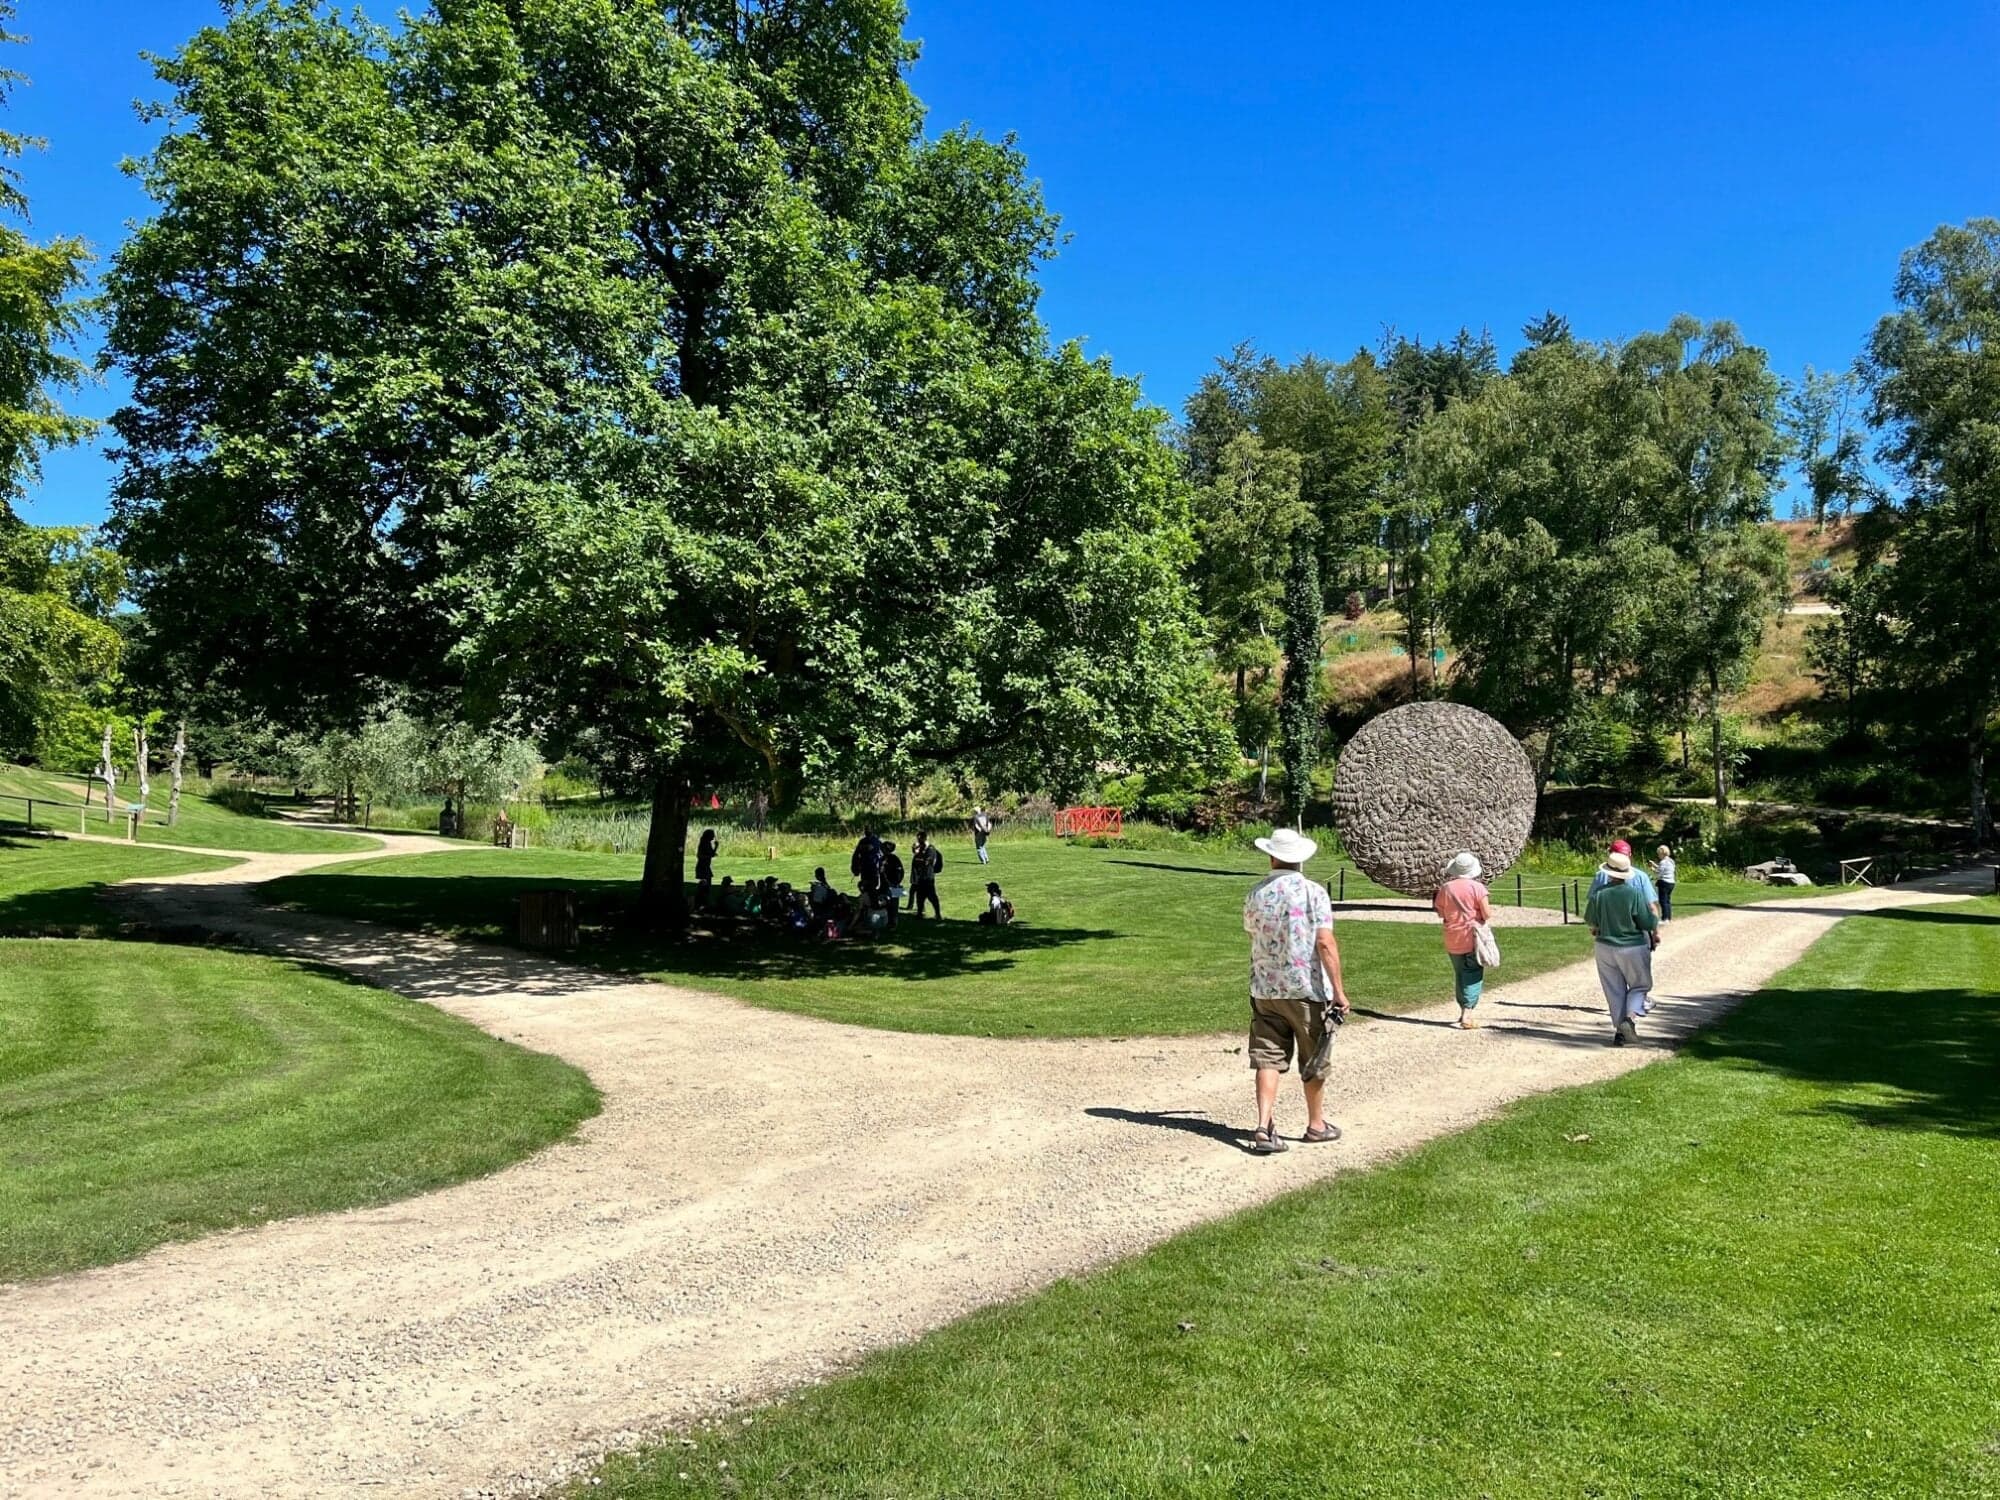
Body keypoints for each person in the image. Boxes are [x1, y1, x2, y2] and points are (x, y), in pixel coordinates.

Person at [1242, 826, 1351, 1155]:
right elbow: (1325, 943)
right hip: (1304, 987)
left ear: (1272, 856)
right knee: (1314, 1055)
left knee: (1267, 1055)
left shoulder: (1256, 893)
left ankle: (1264, 1125)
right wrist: (1339, 992)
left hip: (1264, 986)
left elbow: (1252, 933)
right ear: (1300, 859)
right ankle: (1316, 1124)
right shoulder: (1313, 892)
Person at [1584, 851, 1659, 1046]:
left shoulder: (1599, 894)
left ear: (1609, 872)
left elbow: (1590, 919)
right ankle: (1629, 1020)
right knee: (1640, 986)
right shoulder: (1634, 893)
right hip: (1631, 945)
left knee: (1614, 990)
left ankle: (1620, 1031)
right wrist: (1653, 923)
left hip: (1604, 946)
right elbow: (1646, 921)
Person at [1433, 851, 1492, 1029]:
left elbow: (1440, 911)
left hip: (1452, 935)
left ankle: (1462, 1010)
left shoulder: (1446, 888)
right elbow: (1487, 913)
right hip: (1472, 936)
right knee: (1473, 973)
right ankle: (1467, 1012)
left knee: (1460, 973)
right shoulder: (1478, 888)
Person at [1587, 837, 1660, 915]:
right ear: (1630, 855)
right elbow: (1652, 907)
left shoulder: (1600, 875)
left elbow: (1593, 904)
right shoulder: (1641, 877)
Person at [908, 831, 943, 918]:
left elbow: (927, 862)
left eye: (919, 839)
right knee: (919, 896)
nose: (918, 841)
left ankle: (938, 914)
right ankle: (920, 913)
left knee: (932, 896)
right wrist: (917, 852)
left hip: (928, 877)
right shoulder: (922, 848)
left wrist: (919, 855)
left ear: (924, 838)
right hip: (921, 877)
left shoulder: (930, 849)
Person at [1652, 844, 1677, 921]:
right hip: (1671, 882)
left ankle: (1665, 918)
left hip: (1664, 883)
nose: (1658, 855)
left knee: (1663, 901)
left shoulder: (1663, 862)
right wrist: (1654, 865)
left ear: (1662, 853)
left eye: (1659, 854)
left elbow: (1659, 873)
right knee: (1667, 900)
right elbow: (1664, 869)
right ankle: (1668, 918)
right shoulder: (1671, 861)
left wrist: (1653, 869)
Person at [695, 828, 718, 909]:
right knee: (705, 885)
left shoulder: (707, 843)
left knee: (707, 885)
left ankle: (704, 902)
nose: (713, 836)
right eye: (712, 835)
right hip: (703, 866)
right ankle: (702, 903)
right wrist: (709, 855)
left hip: (705, 866)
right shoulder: (704, 843)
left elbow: (712, 854)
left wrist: (716, 847)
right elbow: (700, 855)